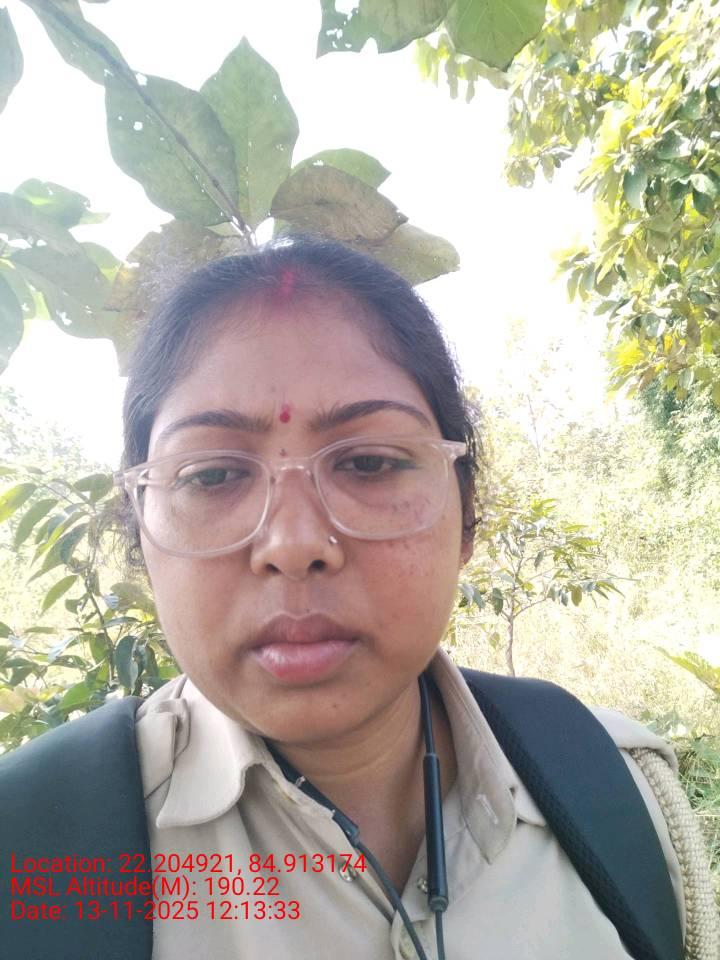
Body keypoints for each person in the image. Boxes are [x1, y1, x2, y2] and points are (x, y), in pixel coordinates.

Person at [2, 235, 717, 959]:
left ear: (466, 515)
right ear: (140, 534)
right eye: (211, 476)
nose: (292, 544)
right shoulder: (28, 850)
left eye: (370, 461)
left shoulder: (618, 790)